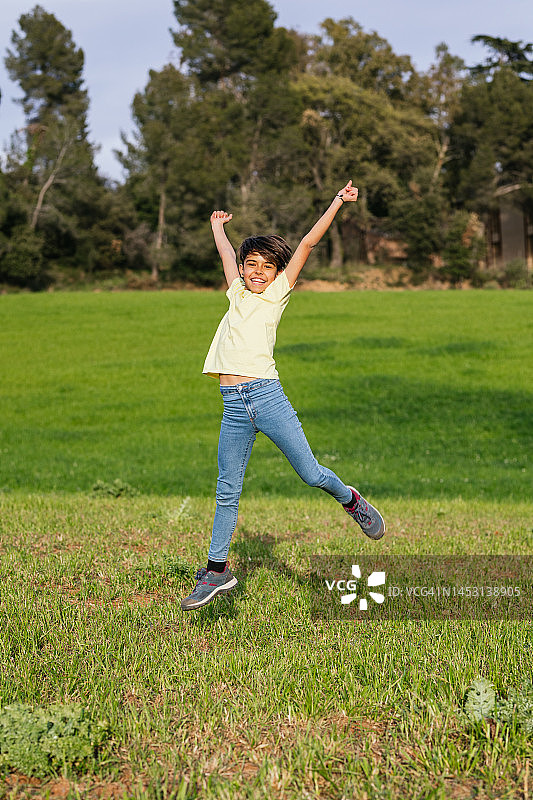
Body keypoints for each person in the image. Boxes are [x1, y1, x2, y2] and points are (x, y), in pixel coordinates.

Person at [181, 180, 385, 611]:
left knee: (311, 474)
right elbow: (226, 256)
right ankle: (217, 571)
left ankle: (350, 499)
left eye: (266, 266)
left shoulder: (276, 295)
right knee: (227, 489)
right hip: (233, 407)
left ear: (277, 273)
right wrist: (217, 227)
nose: (257, 271)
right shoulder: (236, 292)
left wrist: (338, 201)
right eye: (251, 264)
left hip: (267, 398)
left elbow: (308, 242)